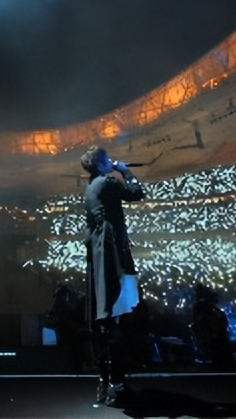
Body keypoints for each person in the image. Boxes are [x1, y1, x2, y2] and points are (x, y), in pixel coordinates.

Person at [82, 144, 145, 407]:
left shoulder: (91, 187)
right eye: (108, 160)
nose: (112, 162)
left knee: (106, 323)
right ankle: (116, 385)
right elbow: (137, 193)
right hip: (113, 260)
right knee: (118, 321)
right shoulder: (107, 183)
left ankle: (105, 383)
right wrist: (126, 172)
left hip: (100, 259)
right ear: (100, 164)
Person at [191, 283, 235, 371]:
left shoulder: (210, 309)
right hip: (212, 336)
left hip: (215, 336)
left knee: (220, 354)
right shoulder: (204, 308)